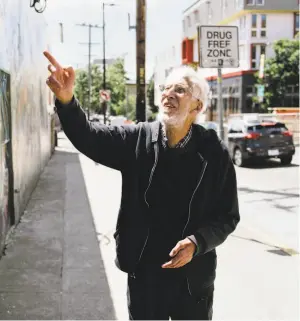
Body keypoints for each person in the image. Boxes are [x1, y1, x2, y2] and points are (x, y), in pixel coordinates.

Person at [44, 51, 240, 320]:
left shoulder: (214, 152)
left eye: (180, 90)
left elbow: (227, 216)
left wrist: (197, 242)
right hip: (145, 273)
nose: (169, 94)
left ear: (197, 107)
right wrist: (67, 101)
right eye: (166, 88)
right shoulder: (137, 139)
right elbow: (89, 137)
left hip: (193, 279)